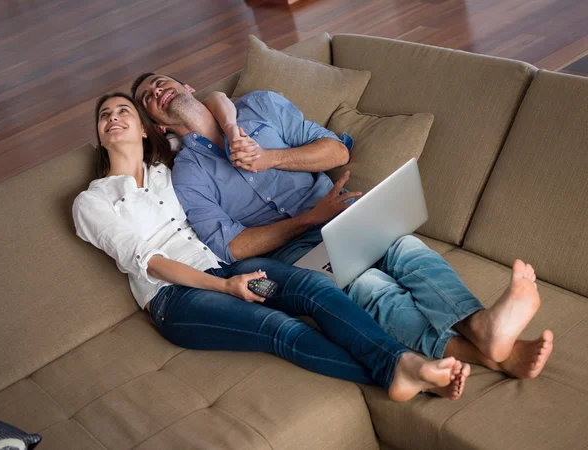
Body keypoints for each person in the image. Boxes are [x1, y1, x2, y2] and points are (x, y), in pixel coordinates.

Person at [131, 73, 554, 380]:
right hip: (292, 251)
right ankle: (492, 352)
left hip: (343, 211)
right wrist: (309, 220)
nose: (156, 90)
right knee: (368, 287)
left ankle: (483, 328)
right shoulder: (188, 175)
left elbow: (336, 150)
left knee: (406, 249)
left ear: (188, 87)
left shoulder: (259, 105)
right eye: (148, 97)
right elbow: (233, 248)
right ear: (161, 126)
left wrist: (272, 158)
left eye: (160, 81)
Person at [72, 92, 470, 403]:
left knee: (314, 288)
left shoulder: (170, 165)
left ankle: (405, 365)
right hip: (178, 297)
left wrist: (228, 126)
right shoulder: (91, 203)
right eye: (105, 116)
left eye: (123, 110)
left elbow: (208, 104)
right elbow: (151, 262)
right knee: (279, 327)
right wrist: (227, 287)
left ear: (146, 129)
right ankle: (400, 372)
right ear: (99, 136)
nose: (113, 118)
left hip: (230, 273)